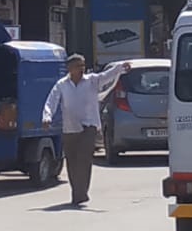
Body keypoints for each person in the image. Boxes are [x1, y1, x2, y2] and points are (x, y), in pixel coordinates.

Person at [42, 54, 130, 206]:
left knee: (83, 159)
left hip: (88, 127)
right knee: (72, 162)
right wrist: (47, 116)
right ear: (70, 68)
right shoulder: (62, 85)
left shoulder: (91, 81)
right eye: (78, 66)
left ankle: (80, 193)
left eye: (83, 65)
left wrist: (120, 68)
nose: (82, 69)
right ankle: (77, 192)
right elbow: (52, 100)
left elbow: (106, 76)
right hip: (70, 128)